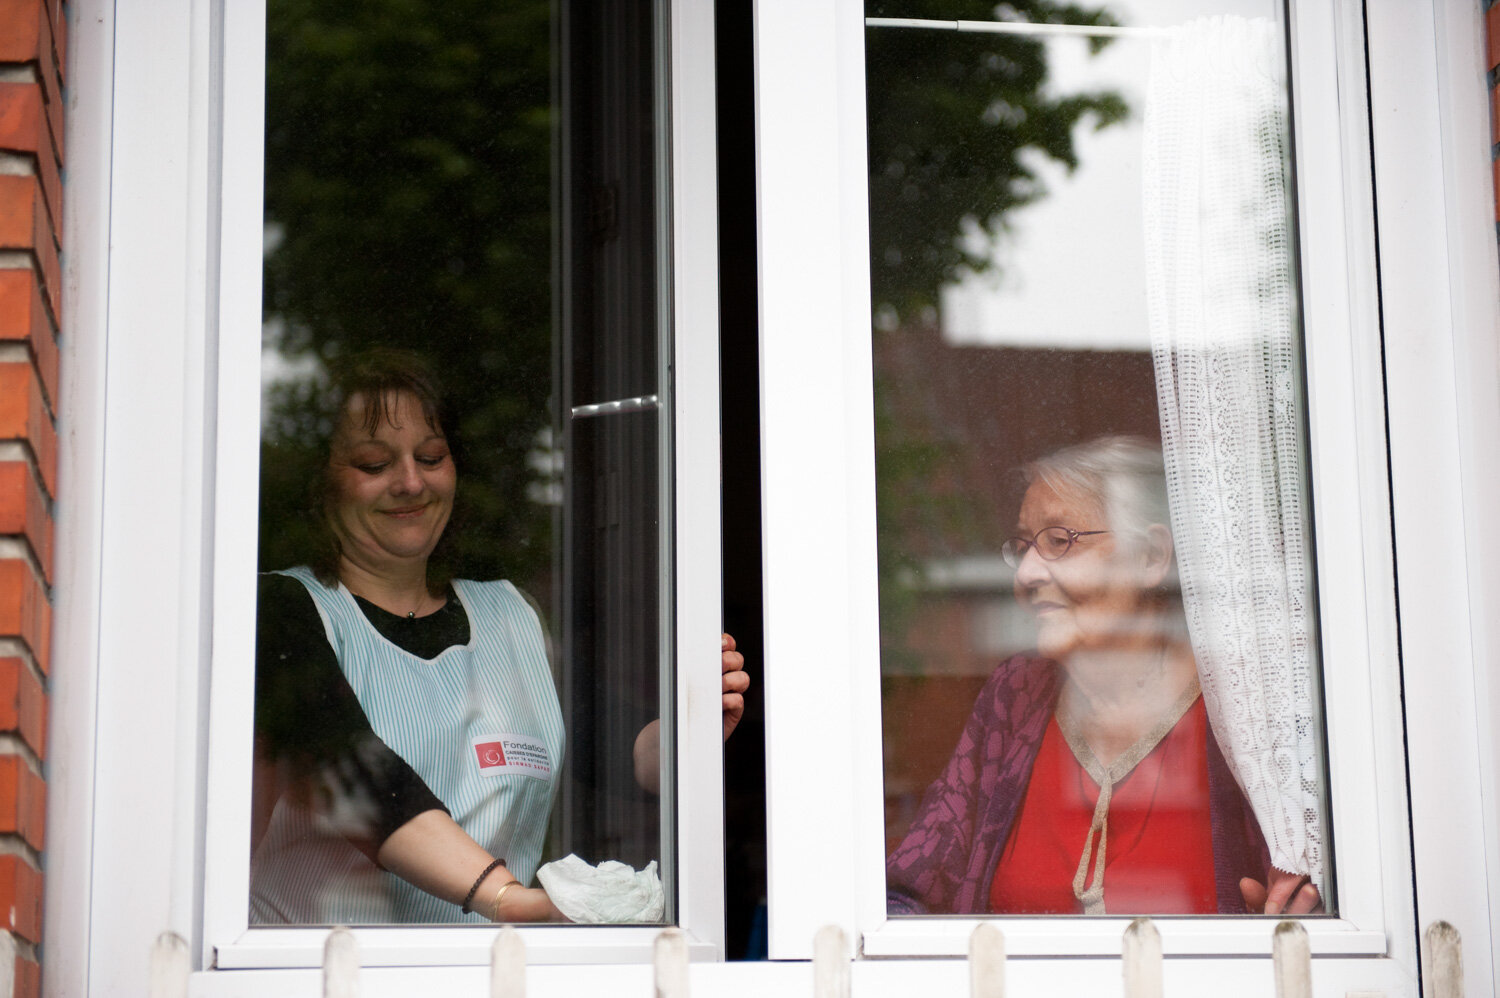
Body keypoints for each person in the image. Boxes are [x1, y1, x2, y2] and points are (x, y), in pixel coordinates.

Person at [250, 349, 749, 924]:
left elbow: (612, 750)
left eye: (431, 457)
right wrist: (515, 902)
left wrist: (693, 727)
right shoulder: (283, 610)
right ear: (323, 485)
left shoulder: (512, 616)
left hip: (486, 974)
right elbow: (357, 780)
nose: (411, 482)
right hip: (317, 975)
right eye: (372, 464)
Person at [884, 436, 1320, 917]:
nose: (1026, 574)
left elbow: (1321, 885)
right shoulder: (1015, 695)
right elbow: (908, 896)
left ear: (1151, 557)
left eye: (1058, 541)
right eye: (1023, 546)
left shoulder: (1245, 710)